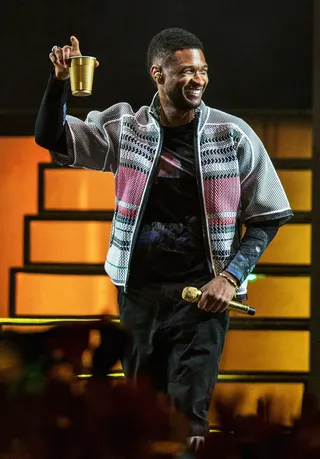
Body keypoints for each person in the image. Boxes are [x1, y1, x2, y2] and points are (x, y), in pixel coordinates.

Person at [35, 28, 293, 445]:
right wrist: (60, 81)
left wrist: (228, 279)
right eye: (186, 72)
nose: (198, 80)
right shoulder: (126, 127)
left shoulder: (232, 134)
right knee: (142, 417)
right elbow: (51, 136)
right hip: (139, 297)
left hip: (202, 299)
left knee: (189, 421)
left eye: (203, 71)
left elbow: (269, 216)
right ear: (158, 73)